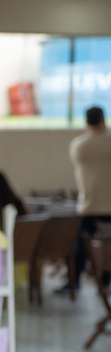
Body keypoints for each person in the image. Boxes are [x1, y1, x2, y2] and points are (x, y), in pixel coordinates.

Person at [67, 105, 111, 292]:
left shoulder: (80, 146)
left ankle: (74, 282)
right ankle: (107, 280)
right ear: (103, 120)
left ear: (86, 122)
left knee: (80, 246)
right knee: (109, 246)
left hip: (89, 205)